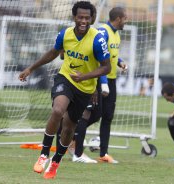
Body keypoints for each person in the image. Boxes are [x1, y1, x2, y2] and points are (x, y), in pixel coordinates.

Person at [18, 1, 111, 179]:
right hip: (66, 78)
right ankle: (44, 154)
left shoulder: (98, 39)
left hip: (84, 87)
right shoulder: (65, 34)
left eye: (87, 18)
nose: (83, 20)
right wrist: (31, 68)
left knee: (69, 128)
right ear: (74, 17)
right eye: (80, 17)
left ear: (92, 19)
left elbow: (106, 67)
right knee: (58, 110)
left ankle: (55, 162)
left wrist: (85, 77)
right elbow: (53, 53)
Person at [61, 7, 128, 164]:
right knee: (87, 113)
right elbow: (98, 58)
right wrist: (102, 83)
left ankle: (103, 153)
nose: (127, 21)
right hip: (99, 79)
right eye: (125, 18)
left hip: (111, 79)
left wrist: (120, 62)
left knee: (105, 116)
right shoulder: (102, 32)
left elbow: (109, 55)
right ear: (118, 18)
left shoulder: (116, 34)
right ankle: (74, 147)